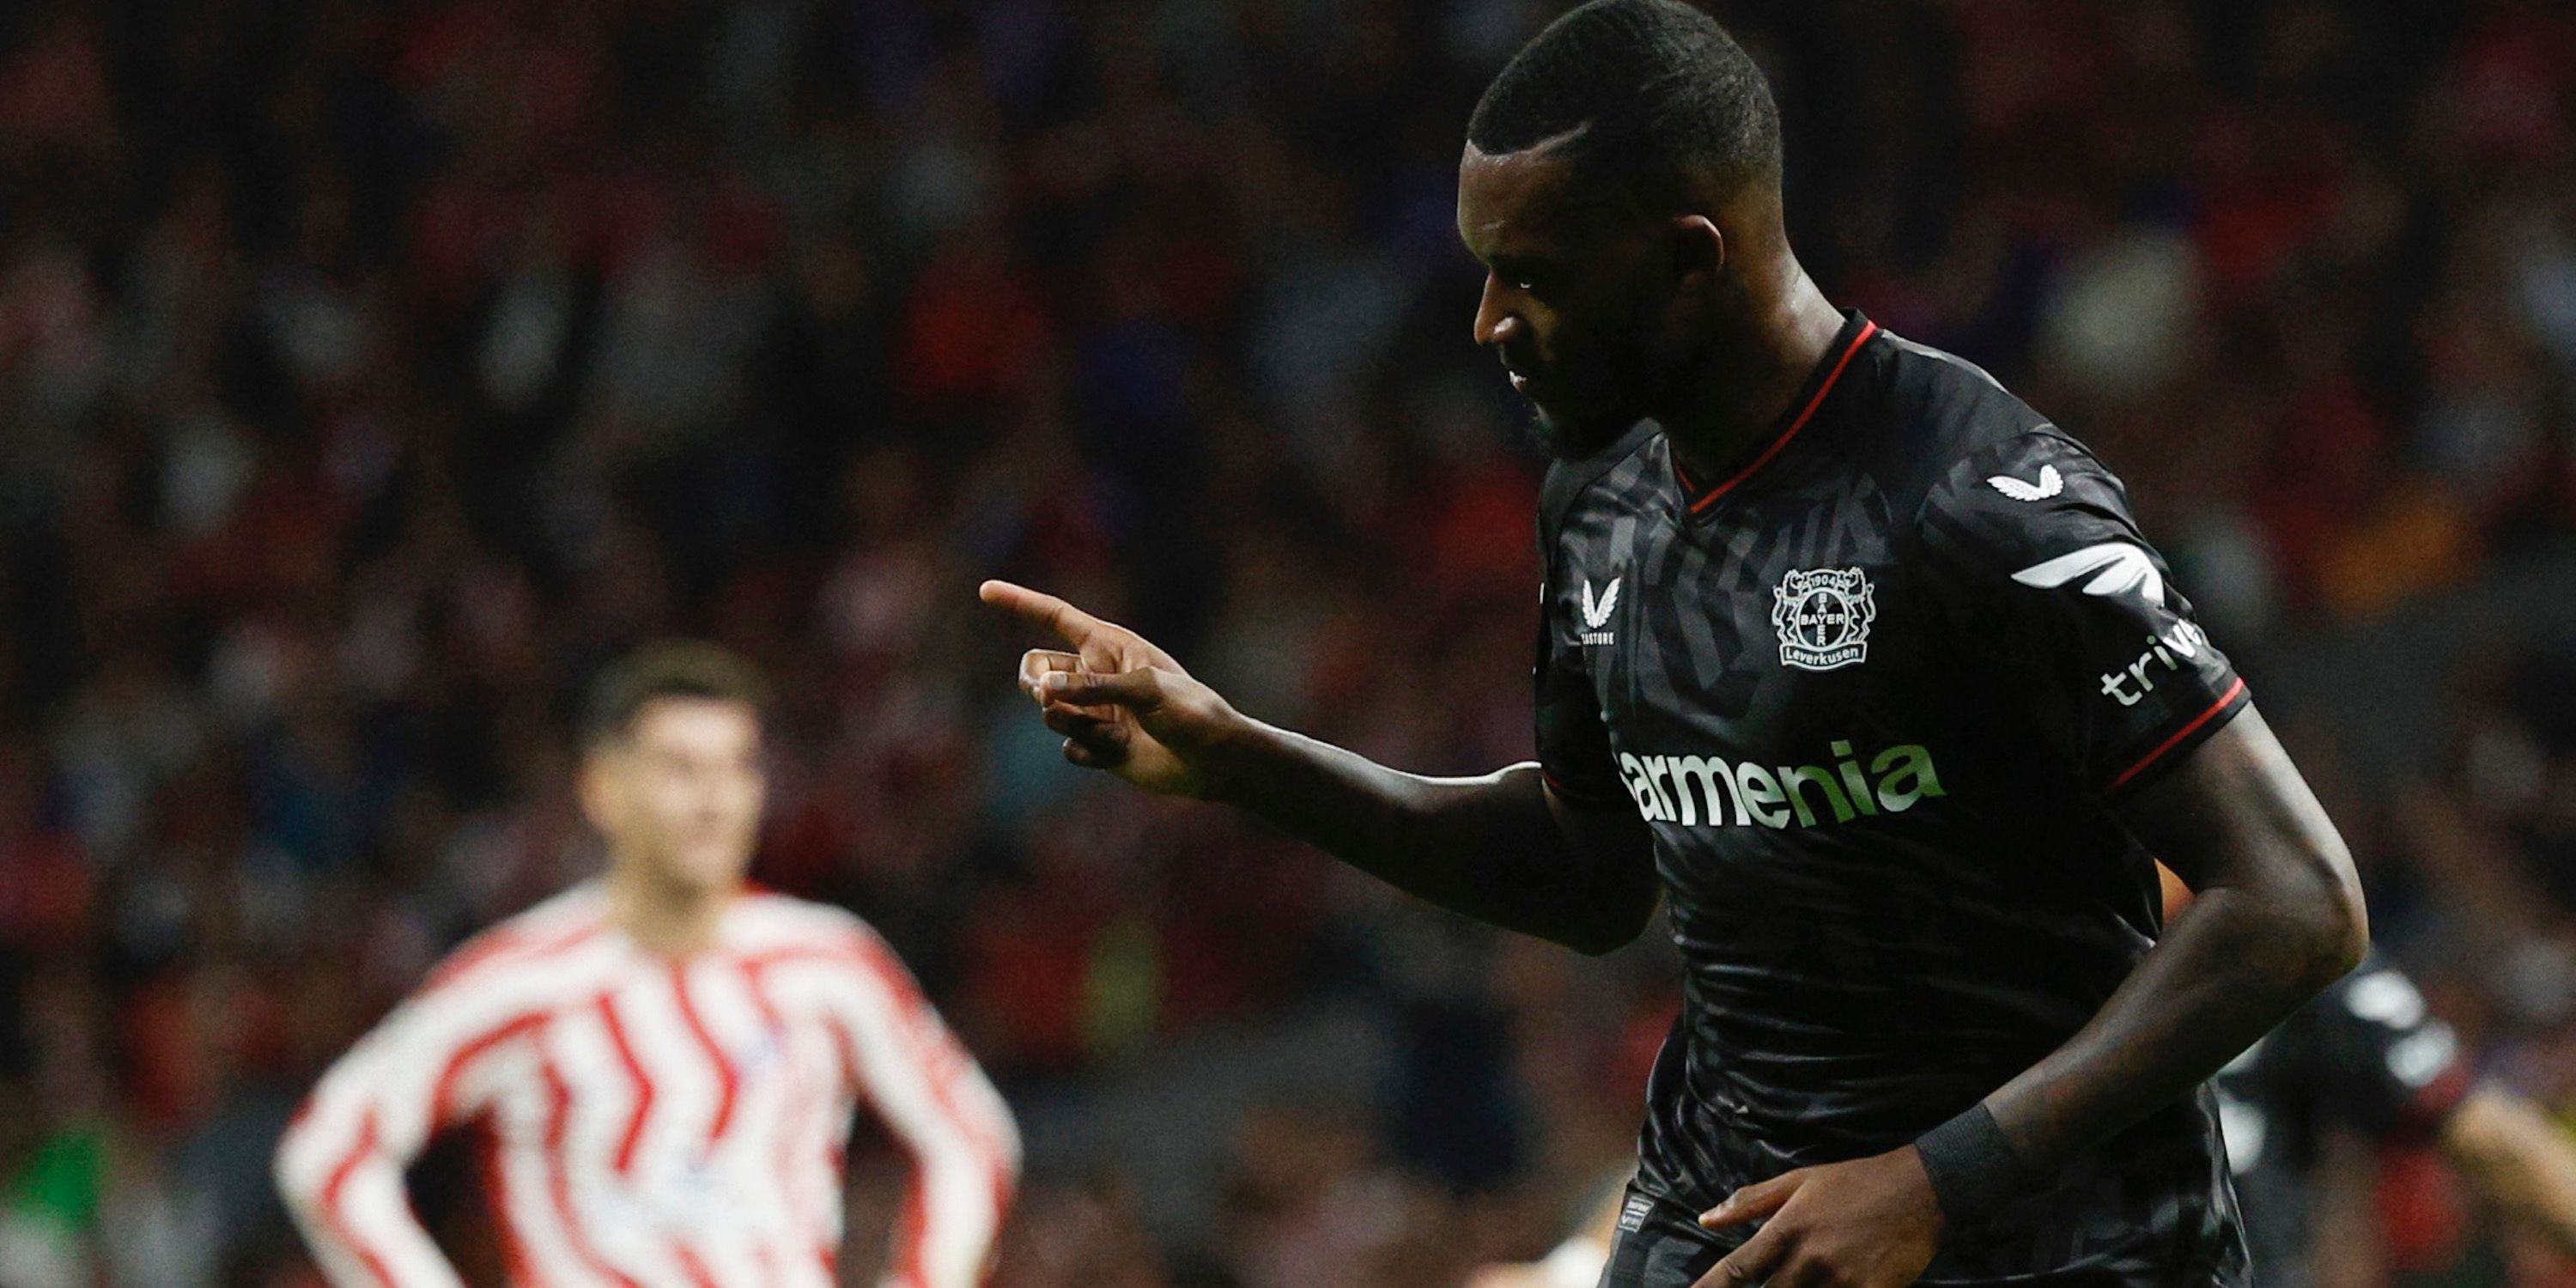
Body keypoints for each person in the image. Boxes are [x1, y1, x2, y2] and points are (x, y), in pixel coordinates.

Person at [980, 2, 2366, 1285]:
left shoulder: (1971, 498)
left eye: (1533, 279)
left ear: (1688, 261)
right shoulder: (1603, 495)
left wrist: (1933, 1184)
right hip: (1734, 1221)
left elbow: (2297, 899)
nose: (1488, 325)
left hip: (2051, 1241)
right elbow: (1592, 875)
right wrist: (1234, 756)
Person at [274, 643, 1018, 1288]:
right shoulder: (525, 980)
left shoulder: (826, 962)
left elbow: (970, 1135)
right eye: (679, 769)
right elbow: (329, 1154)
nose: (714, 801)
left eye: (737, 769)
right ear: (604, 788)